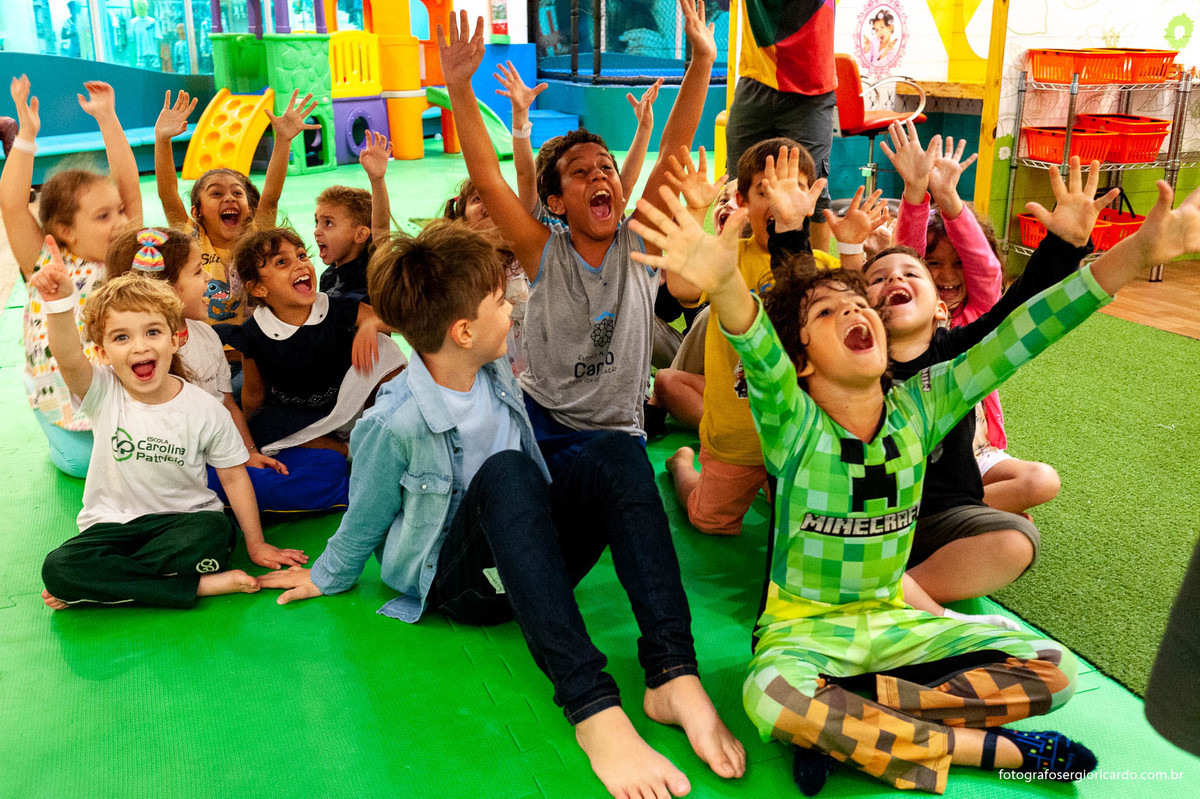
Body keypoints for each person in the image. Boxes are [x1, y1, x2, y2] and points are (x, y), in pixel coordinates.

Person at [629, 168, 1200, 794]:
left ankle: (853, 724)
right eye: (828, 311)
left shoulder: (926, 402)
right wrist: (726, 281)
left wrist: (1139, 251)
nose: (855, 310)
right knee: (771, 698)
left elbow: (1026, 329)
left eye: (857, 304)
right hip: (803, 633)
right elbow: (755, 342)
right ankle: (990, 750)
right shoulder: (790, 420)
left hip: (897, 620)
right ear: (804, 358)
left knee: (1053, 669)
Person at [258, 221, 746, 799]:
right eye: (499, 301)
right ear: (463, 331)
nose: (514, 306)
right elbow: (365, 512)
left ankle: (672, 672)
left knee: (616, 450)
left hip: (529, 560)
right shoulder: (395, 420)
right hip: (461, 583)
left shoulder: (494, 374)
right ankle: (592, 708)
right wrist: (325, 574)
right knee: (506, 475)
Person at [34, 243, 307, 609]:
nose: (139, 347)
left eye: (152, 332)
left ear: (175, 338)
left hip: (185, 526)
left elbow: (233, 477)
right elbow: (67, 356)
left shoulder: (204, 409)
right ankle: (196, 586)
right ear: (101, 353)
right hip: (113, 528)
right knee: (57, 567)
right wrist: (59, 304)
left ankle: (106, 584)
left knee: (216, 531)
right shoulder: (103, 392)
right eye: (121, 337)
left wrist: (256, 545)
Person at [663, 140, 886, 536]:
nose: (779, 199)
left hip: (800, 439)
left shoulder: (816, 264)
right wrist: (696, 210)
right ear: (743, 202)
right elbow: (681, 288)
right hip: (734, 436)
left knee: (800, 519)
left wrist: (851, 246)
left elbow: (860, 302)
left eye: (794, 187)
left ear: (811, 200)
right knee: (710, 521)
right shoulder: (726, 255)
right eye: (764, 191)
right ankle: (682, 462)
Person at [104, 227, 351, 516]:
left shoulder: (206, 336)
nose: (209, 278)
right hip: (180, 469)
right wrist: (232, 464)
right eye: (198, 272)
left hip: (222, 454)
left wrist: (248, 453)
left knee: (326, 463)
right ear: (167, 289)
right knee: (285, 483)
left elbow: (228, 405)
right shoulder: (141, 357)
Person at [884, 120, 1062, 515]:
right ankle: (964, 511)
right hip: (916, 460)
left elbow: (986, 271)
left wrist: (947, 198)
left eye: (957, 265)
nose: (946, 276)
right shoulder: (910, 326)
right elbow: (905, 262)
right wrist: (916, 194)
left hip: (978, 454)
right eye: (933, 265)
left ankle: (962, 508)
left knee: (1042, 480)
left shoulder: (976, 318)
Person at [0, 77, 142, 477]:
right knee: (84, 464)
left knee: (141, 455)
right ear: (64, 230)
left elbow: (129, 187)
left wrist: (108, 119)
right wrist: (26, 135)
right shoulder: (47, 262)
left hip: (124, 391)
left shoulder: (125, 254)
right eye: (102, 216)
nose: (120, 221)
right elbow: (12, 205)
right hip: (64, 402)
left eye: (117, 211)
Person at [224, 228, 403, 455]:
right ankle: (347, 451)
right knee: (264, 430)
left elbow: (398, 322)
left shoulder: (335, 306)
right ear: (258, 288)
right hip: (300, 415)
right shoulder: (253, 333)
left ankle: (373, 429)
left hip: (349, 398)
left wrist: (372, 324)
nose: (300, 265)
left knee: (385, 349)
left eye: (301, 256)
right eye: (282, 262)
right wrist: (252, 444)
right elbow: (253, 394)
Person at [154, 88, 321, 325]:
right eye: (216, 193)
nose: (229, 198)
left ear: (250, 209)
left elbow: (271, 197)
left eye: (237, 192)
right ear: (196, 212)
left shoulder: (256, 237)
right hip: (210, 347)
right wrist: (162, 139)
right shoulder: (191, 238)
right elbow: (168, 194)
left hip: (252, 346)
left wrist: (283, 140)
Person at [724, 0, 836, 252]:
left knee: (812, 190)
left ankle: (820, 280)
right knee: (738, 188)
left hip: (810, 88)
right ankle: (740, 271)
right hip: (756, 78)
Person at [314, 131, 392, 305]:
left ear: (360, 234)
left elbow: (380, 227)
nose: (317, 231)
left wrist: (377, 180)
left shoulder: (373, 267)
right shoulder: (326, 277)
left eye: (328, 223)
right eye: (316, 222)